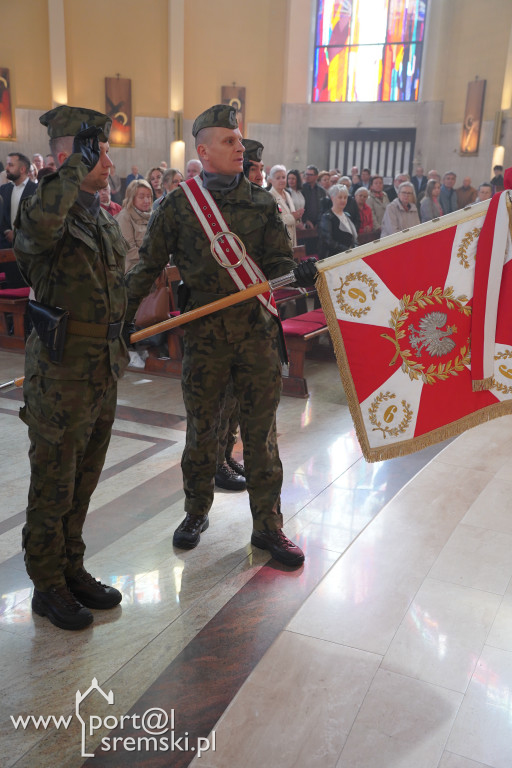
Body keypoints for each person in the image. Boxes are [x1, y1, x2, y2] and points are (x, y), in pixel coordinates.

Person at [124, 104, 313, 567]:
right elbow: (146, 267)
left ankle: (269, 527)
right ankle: (194, 511)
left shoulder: (262, 202)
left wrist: (291, 274)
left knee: (261, 434)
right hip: (205, 336)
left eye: (240, 139)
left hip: (255, 335)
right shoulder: (177, 206)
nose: (240, 147)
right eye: (229, 141)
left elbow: (278, 264)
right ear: (203, 151)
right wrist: (117, 321)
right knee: (202, 431)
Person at [13, 105, 127, 631]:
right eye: (95, 150)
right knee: (53, 483)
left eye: (102, 149)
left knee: (84, 479)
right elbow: (39, 230)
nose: (107, 158)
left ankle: (72, 568)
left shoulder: (99, 215)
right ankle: (46, 583)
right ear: (68, 155)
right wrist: (72, 170)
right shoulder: (41, 207)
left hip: (100, 369)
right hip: (60, 376)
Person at [0, 152, 38, 250]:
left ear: (22, 169)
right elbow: (2, 215)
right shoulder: (3, 190)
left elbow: (38, 219)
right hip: (5, 245)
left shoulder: (37, 190)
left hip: (29, 246)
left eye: (11, 165)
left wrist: (18, 234)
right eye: (7, 164)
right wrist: (7, 231)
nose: (6, 168)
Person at [115, 179, 153, 272]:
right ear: (132, 198)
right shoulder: (125, 217)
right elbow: (129, 251)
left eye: (149, 196)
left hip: (152, 270)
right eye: (141, 197)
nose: (147, 200)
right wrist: (154, 257)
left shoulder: (154, 215)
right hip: (133, 273)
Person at [318, 183, 358, 259]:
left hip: (349, 256)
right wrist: (347, 250)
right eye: (340, 197)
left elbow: (353, 237)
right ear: (333, 198)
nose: (343, 200)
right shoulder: (327, 217)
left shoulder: (347, 215)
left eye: (345, 197)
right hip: (333, 257)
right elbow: (328, 241)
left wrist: (356, 248)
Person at [268, 164, 302, 247]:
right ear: (271, 180)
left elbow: (292, 214)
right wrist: (293, 217)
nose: (282, 180)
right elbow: (273, 221)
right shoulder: (269, 196)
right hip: (278, 240)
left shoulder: (287, 194)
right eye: (278, 178)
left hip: (291, 236)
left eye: (283, 177)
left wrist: (297, 216)